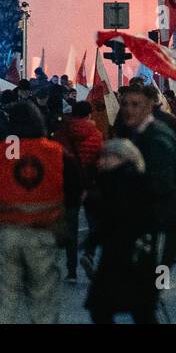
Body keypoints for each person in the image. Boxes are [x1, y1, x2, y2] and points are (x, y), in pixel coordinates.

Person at [0, 101, 82, 323]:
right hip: (43, 233)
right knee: (43, 299)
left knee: (4, 297)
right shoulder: (56, 153)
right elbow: (74, 190)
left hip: (5, 232)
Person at [90, 82, 176, 321]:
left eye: (136, 105)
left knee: (137, 306)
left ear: (149, 107)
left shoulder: (157, 139)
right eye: (125, 104)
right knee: (122, 307)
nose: (128, 110)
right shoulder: (135, 134)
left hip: (152, 232)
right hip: (133, 230)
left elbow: (160, 186)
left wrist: (122, 168)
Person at [55, 100, 104, 282]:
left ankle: (71, 271)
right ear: (89, 114)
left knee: (71, 229)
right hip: (90, 185)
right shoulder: (96, 135)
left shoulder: (63, 133)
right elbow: (100, 161)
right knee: (94, 225)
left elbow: (56, 157)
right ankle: (89, 255)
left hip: (69, 185)